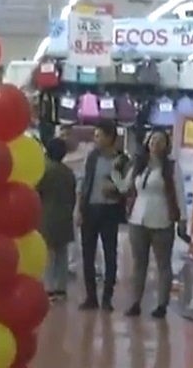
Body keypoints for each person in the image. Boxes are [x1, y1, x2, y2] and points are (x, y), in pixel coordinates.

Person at [113, 129, 186, 318]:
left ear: (166, 145)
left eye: (160, 141)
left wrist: (182, 219)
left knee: (163, 264)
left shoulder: (170, 167)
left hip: (162, 219)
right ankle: (135, 302)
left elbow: (179, 193)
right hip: (138, 218)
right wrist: (114, 173)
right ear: (147, 143)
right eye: (153, 140)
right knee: (139, 264)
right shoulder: (139, 165)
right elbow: (125, 187)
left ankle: (162, 304)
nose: (155, 143)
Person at [76, 121, 128, 311]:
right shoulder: (92, 157)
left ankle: (107, 297)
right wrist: (78, 208)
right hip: (90, 209)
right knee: (87, 254)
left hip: (110, 210)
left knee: (110, 253)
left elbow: (128, 187)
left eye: (99, 135)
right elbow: (83, 183)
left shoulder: (122, 160)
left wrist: (115, 189)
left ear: (109, 137)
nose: (95, 139)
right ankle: (91, 297)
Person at [36, 137, 76, 302]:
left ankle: (49, 288)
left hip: (47, 215)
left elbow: (37, 193)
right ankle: (61, 288)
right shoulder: (68, 172)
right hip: (65, 215)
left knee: (49, 253)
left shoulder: (44, 171)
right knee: (62, 252)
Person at [60, 125, 101, 277]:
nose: (65, 138)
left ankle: (97, 267)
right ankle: (71, 266)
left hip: (88, 197)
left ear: (75, 136)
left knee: (91, 235)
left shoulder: (88, 150)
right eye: (62, 135)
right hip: (67, 199)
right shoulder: (60, 155)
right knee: (71, 235)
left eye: (67, 135)